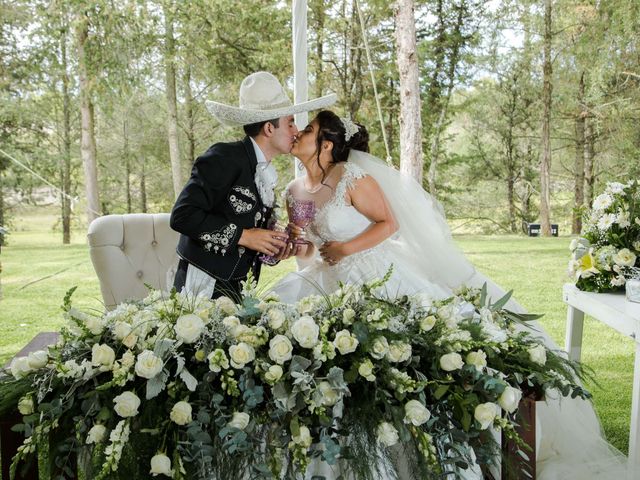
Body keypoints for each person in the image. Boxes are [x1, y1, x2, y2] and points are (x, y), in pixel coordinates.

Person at [272, 110, 627, 479]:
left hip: (375, 273)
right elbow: (308, 249)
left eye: (308, 129)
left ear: (326, 144)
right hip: (327, 283)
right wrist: (296, 247)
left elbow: (388, 224)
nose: (297, 133)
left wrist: (345, 249)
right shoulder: (294, 191)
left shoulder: (351, 178)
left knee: (403, 355)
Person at [169, 72, 336, 301]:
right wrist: (246, 236)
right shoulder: (223, 157)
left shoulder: (264, 172)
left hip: (238, 288)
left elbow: (249, 231)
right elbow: (182, 215)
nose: (296, 131)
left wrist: (274, 247)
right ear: (269, 129)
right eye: (290, 123)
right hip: (203, 283)